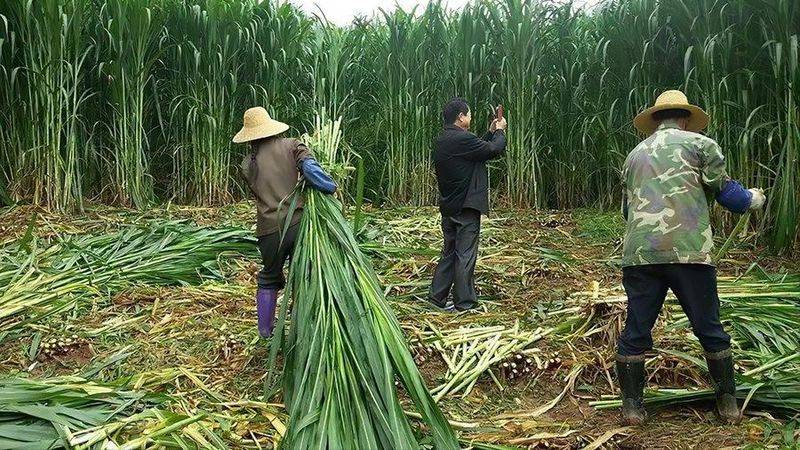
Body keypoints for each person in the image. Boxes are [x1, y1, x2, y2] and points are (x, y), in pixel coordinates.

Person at [617, 90, 766, 425]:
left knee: (636, 329)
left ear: (657, 119)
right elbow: (728, 194)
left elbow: (628, 210)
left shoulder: (634, 155)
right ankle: (727, 406)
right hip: (689, 253)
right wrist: (753, 199)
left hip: (640, 255)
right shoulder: (701, 145)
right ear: (684, 118)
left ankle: (632, 409)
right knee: (709, 327)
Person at [233, 107, 336, 338]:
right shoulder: (292, 145)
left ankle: (265, 331)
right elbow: (311, 170)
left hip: (268, 231)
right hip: (297, 225)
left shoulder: (246, 164)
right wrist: (330, 187)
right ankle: (301, 327)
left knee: (269, 276)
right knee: (301, 274)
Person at [428, 98, 507, 312]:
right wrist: (500, 131)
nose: (470, 118)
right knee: (465, 254)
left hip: (450, 207)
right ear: (461, 117)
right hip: (466, 206)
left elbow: (476, 151)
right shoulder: (461, 139)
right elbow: (493, 150)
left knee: (450, 253)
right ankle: (465, 303)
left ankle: (437, 298)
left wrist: (489, 133)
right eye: (469, 114)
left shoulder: (444, 139)